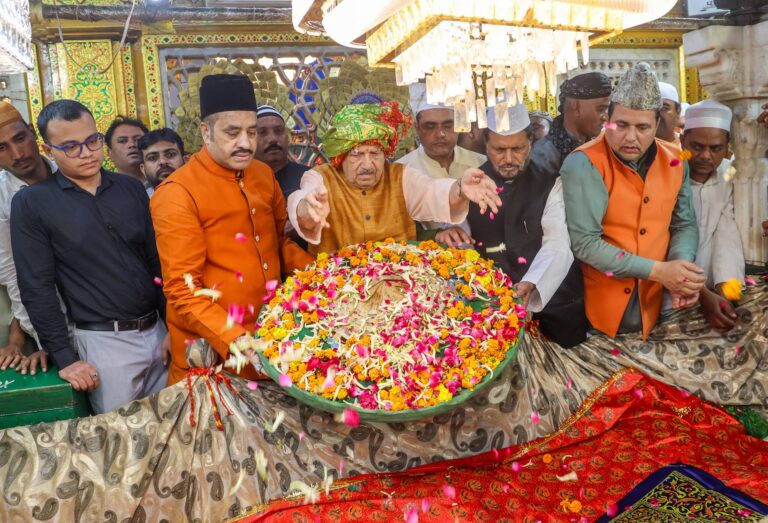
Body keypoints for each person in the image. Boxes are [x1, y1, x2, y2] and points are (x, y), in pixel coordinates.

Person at [151, 74, 312, 385]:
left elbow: (280, 243)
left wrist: (325, 277)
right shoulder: (177, 192)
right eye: (232, 132)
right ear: (205, 132)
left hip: (273, 342)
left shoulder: (263, 175)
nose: (245, 143)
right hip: (213, 359)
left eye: (252, 132)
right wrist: (238, 341)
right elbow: (183, 291)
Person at [10, 100, 168, 413]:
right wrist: (65, 358)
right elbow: (36, 286)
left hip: (159, 334)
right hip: (104, 345)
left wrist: (174, 326)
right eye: (71, 146)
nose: (86, 153)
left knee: (176, 436)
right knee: (123, 448)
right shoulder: (33, 203)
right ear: (48, 148)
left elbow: (158, 263)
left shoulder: (130, 189)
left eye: (92, 141)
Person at [561, 62, 703, 340]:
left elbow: (684, 223)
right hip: (599, 309)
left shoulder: (675, 161)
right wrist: (661, 272)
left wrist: (681, 273)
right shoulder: (584, 163)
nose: (630, 137)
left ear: (657, 125)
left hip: (656, 303)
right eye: (621, 125)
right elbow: (585, 244)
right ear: (607, 120)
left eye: (642, 127)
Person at [438, 102, 586, 347]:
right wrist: (450, 235)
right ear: (486, 145)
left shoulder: (552, 184)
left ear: (531, 142)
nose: (508, 158)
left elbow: (558, 243)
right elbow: (461, 240)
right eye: (499, 149)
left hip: (555, 308)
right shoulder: (468, 186)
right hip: (493, 311)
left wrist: (533, 282)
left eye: (517, 148)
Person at [287, 101, 501, 255]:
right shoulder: (320, 178)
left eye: (375, 154)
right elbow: (302, 204)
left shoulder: (400, 175)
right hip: (336, 293)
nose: (368, 164)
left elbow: (432, 193)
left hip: (398, 287)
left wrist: (460, 189)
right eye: (357, 155)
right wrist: (309, 209)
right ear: (341, 157)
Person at [681, 100, 744, 331]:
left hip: (714, 291)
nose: (705, 156)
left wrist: (726, 293)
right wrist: (701, 294)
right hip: (670, 292)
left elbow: (727, 235)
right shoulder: (666, 175)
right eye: (697, 146)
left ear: (727, 146)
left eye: (716, 148)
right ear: (682, 140)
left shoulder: (731, 175)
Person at [0, 102, 51, 375]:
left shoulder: (69, 172)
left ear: (33, 133)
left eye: (20, 138)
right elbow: (13, 274)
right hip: (45, 323)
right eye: (2, 148)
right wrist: (48, 339)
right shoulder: (1, 197)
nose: (17, 154)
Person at [397, 83, 485, 236]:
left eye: (448, 125)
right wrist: (435, 235)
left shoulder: (481, 164)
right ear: (416, 127)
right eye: (430, 126)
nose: (440, 134)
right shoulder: (401, 171)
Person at [532, 72, 612, 174]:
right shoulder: (543, 155)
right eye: (601, 109)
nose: (606, 117)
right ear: (576, 108)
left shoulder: (599, 145)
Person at [254, 105, 309, 202]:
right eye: (262, 132)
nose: (273, 139)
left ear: (288, 138)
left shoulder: (308, 177)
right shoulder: (242, 183)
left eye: (278, 131)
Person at [138, 128, 186, 194]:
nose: (163, 162)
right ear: (143, 169)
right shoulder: (139, 202)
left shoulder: (202, 193)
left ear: (186, 161)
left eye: (170, 154)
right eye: (152, 158)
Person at [105, 116, 148, 186]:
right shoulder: (105, 191)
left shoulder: (164, 184)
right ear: (110, 153)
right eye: (122, 141)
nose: (132, 144)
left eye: (138, 140)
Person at [656, 82, 682, 148]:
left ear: (678, 111)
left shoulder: (686, 147)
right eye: (652, 108)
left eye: (664, 108)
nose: (657, 114)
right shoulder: (640, 149)